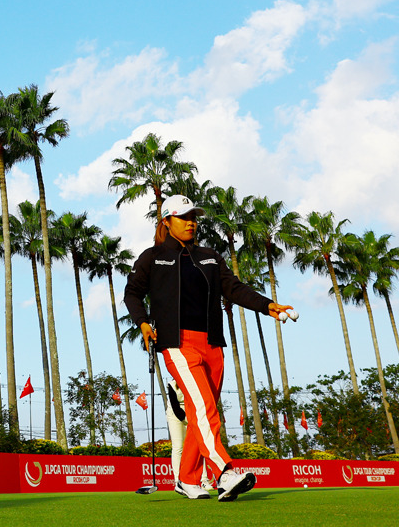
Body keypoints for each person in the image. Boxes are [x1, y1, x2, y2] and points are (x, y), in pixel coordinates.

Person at [124, 194, 294, 502]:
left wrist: (267, 305)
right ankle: (225, 473)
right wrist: (143, 322)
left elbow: (234, 288)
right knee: (204, 410)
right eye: (183, 217)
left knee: (201, 413)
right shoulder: (153, 257)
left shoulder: (210, 256)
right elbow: (132, 293)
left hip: (212, 344)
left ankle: (187, 478)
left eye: (194, 217)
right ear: (167, 222)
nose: (191, 222)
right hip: (177, 344)